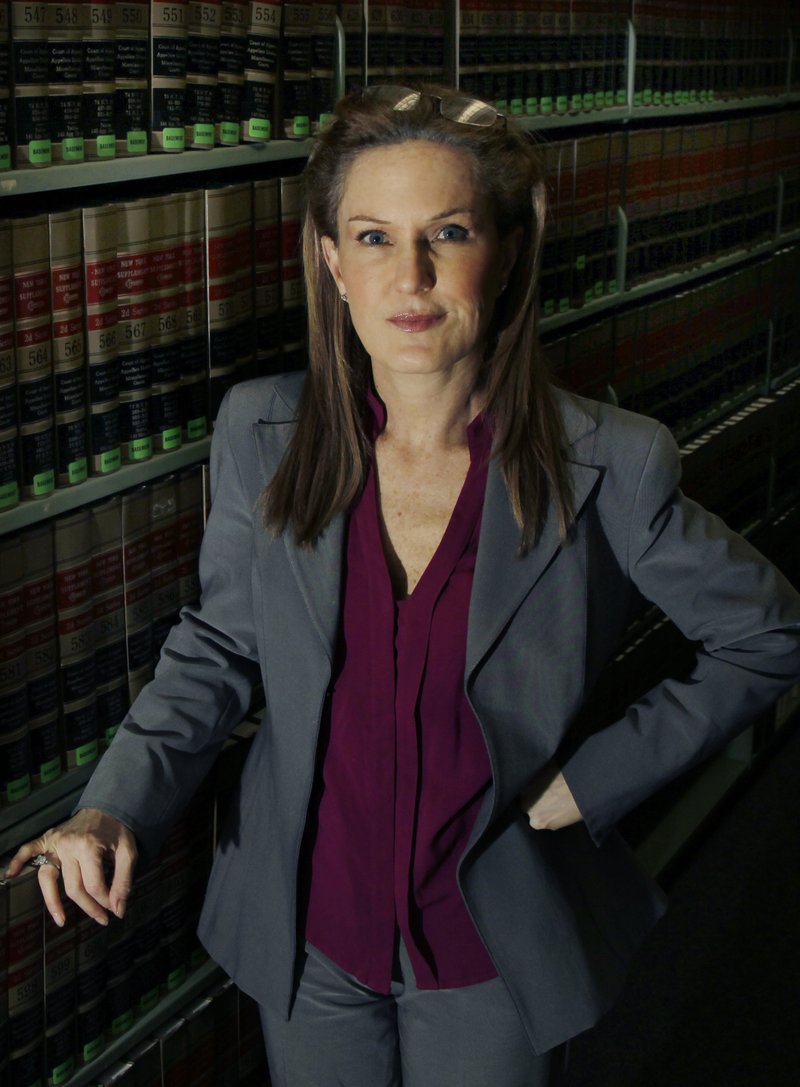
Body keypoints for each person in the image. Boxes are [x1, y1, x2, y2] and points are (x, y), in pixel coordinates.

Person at [8, 85, 800, 1086]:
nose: (410, 275)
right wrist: (111, 809)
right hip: (312, 932)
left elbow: (767, 635)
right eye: (373, 236)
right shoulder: (261, 433)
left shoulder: (607, 462)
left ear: (506, 252)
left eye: (449, 232)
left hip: (485, 945)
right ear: (332, 263)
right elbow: (216, 649)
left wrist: (590, 784)